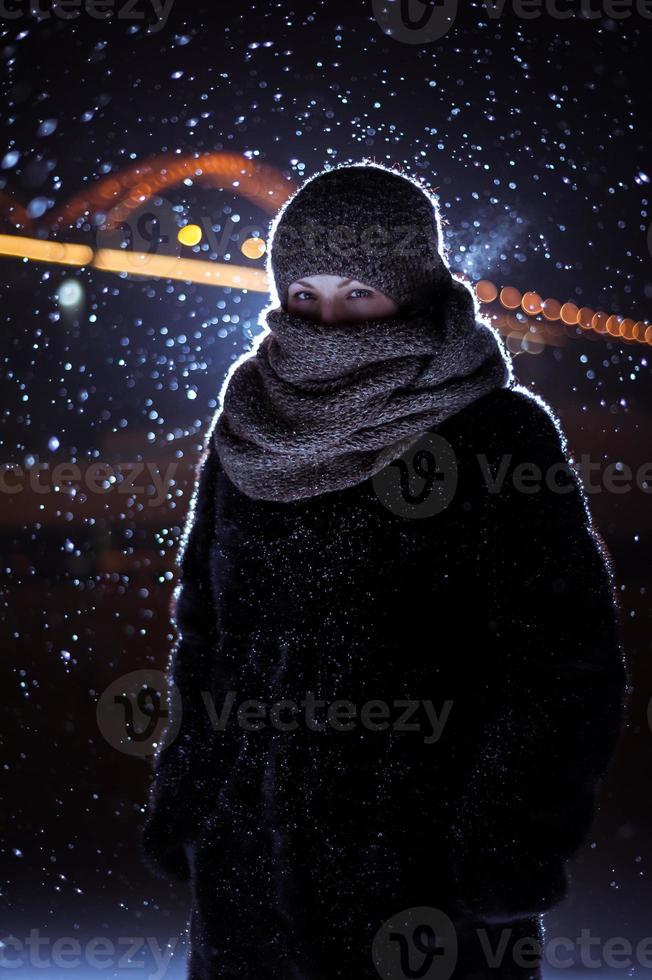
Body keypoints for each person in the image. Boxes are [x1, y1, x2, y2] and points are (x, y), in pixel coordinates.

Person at [140, 162, 628, 979]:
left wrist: (503, 844)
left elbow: (564, 667)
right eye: (306, 294)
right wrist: (191, 801)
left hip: (426, 891)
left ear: (414, 288)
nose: (329, 319)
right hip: (249, 887)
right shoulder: (250, 419)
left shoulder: (495, 432)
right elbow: (207, 637)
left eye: (359, 292)